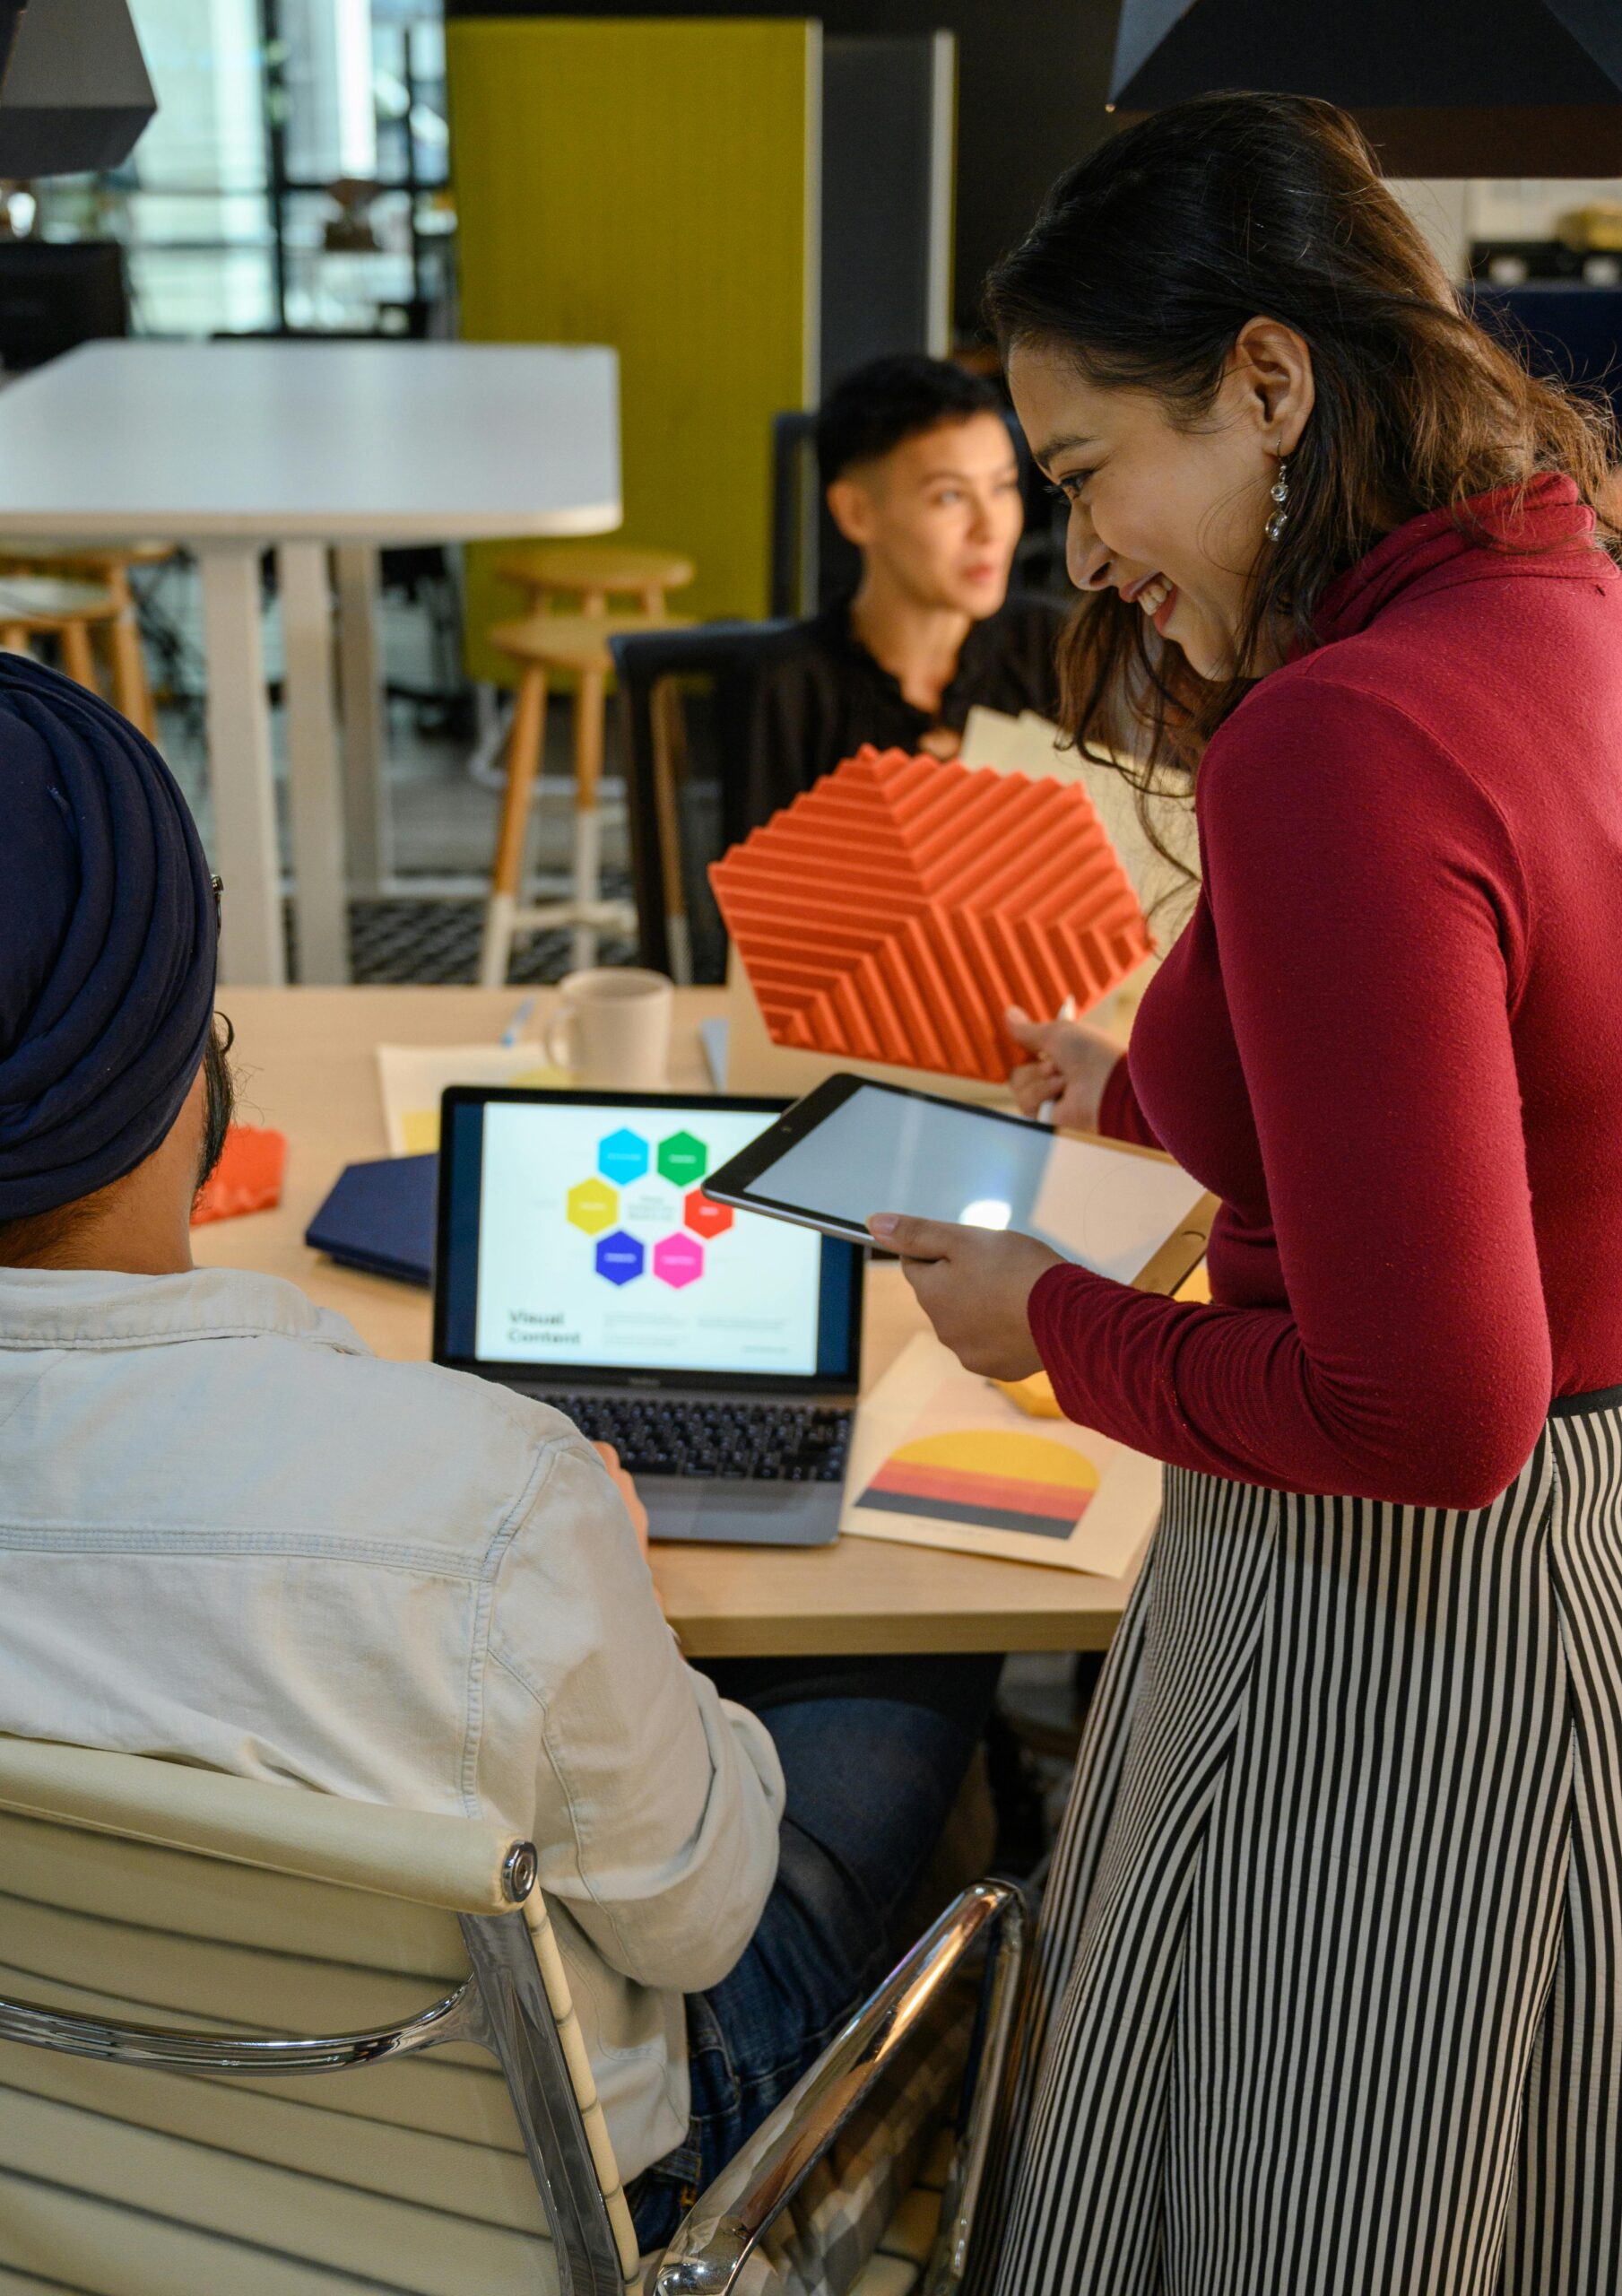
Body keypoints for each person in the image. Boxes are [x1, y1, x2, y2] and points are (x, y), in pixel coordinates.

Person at [869, 92, 1622, 2296]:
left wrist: (1050, 1328)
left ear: (1270, 382)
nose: (1078, 547)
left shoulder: (1339, 736)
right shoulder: (1554, 602)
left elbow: (1430, 1410)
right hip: (1557, 1583)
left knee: (1298, 2204)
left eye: (1089, 470)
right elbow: (1525, 1075)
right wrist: (1155, 1082)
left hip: (1384, 1625)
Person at [0, 652, 998, 2253]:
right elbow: (701, 1914)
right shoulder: (484, 1493)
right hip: (550, 2200)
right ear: (188, 1072)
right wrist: (634, 1623)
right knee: (917, 1639)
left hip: (67, 2196)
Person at [743, 352, 1063, 826]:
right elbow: (758, 890)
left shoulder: (1053, 644)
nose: (990, 528)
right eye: (949, 496)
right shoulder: (788, 686)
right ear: (856, 513)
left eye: (1002, 487)